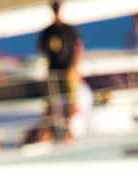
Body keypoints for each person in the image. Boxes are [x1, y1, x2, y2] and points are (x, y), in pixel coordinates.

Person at [38, 1, 83, 141]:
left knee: (70, 102)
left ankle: (68, 131)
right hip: (53, 70)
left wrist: (74, 67)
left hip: (67, 70)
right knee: (52, 102)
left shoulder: (68, 29)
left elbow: (78, 47)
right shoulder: (47, 31)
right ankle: (53, 131)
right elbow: (42, 49)